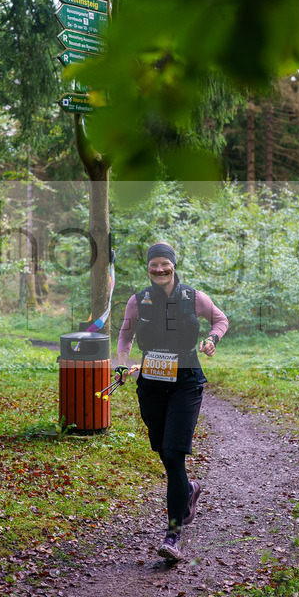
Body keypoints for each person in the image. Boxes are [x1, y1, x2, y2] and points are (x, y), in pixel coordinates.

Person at [116, 241, 229, 562]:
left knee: (173, 451)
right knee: (163, 452)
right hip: (150, 384)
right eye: (154, 265)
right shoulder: (138, 301)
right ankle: (189, 490)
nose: (160, 270)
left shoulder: (194, 297)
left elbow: (221, 320)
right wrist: (121, 363)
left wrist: (212, 339)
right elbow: (125, 336)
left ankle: (173, 534)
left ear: (174, 266)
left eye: (165, 264)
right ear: (148, 269)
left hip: (187, 383)